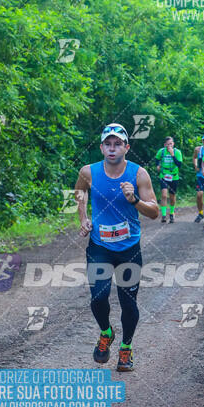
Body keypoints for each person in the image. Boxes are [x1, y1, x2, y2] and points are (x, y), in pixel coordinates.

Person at [75, 123, 158, 372]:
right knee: (98, 297)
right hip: (99, 245)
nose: (112, 149)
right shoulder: (88, 171)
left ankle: (126, 348)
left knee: (128, 301)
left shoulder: (139, 174)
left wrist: (134, 199)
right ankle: (106, 333)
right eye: (108, 144)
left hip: (129, 248)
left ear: (126, 147)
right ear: (101, 147)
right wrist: (83, 217)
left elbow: (154, 212)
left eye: (117, 144)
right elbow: (79, 191)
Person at [155, 136, 183, 223]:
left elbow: (179, 164)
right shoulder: (162, 151)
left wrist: (172, 155)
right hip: (164, 175)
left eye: (171, 144)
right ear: (165, 145)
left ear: (173, 144)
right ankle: (163, 215)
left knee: (172, 196)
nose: (169, 146)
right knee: (164, 195)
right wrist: (158, 165)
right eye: (167, 144)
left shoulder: (177, 152)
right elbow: (157, 159)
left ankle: (171, 213)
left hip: (174, 176)